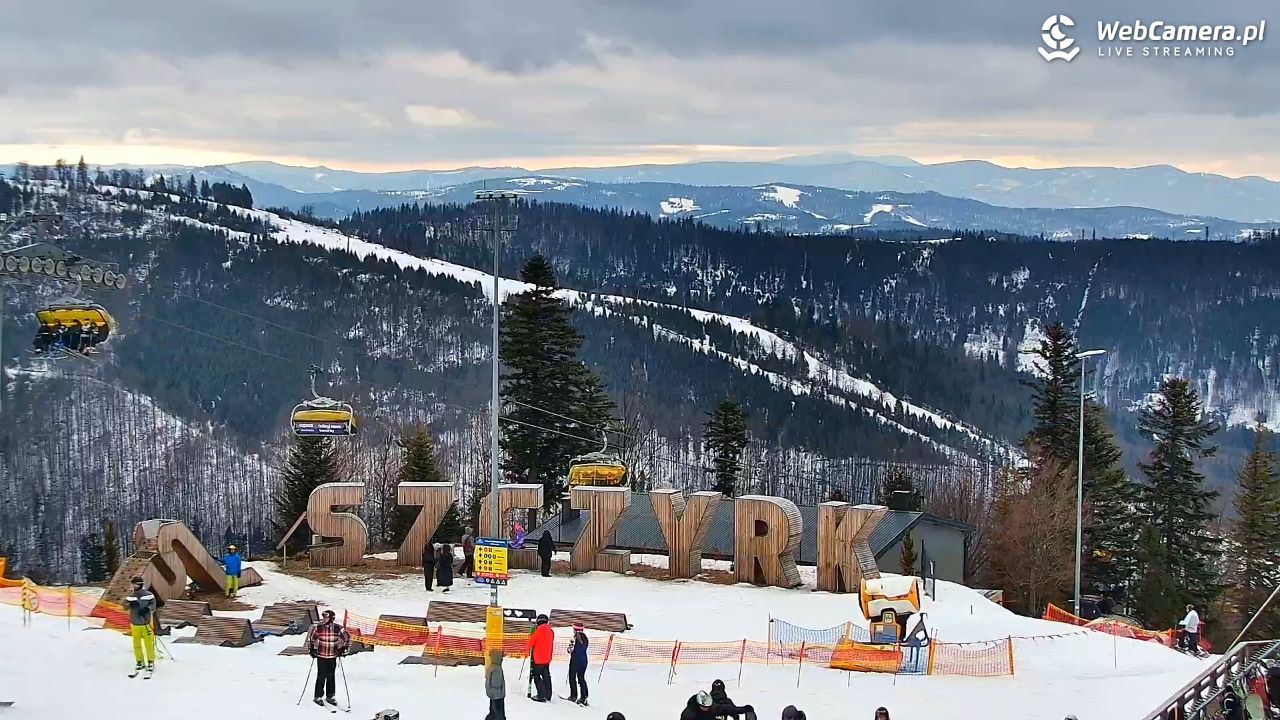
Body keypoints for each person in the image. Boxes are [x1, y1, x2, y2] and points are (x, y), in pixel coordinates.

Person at [307, 609, 351, 707]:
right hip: (321, 655)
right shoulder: (318, 628)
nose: (323, 619)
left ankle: (330, 696)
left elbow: (347, 637)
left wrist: (343, 648)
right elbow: (312, 639)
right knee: (321, 675)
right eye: (323, 617)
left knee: (331, 675)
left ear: (331, 618)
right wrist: (312, 649)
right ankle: (318, 696)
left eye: (325, 617)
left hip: (332, 656)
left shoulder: (338, 628)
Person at [125, 577, 157, 675]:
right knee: (136, 644)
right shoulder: (131, 596)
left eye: (135, 584)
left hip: (146, 623)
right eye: (133, 585)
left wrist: (147, 609)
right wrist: (130, 605)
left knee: (148, 644)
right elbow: (124, 606)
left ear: (140, 584)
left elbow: (153, 605)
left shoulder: (148, 595)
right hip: (135, 624)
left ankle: (150, 662)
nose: (134, 586)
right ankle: (139, 661)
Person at [527, 613, 555, 702]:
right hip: (547, 658)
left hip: (538, 659)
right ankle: (548, 695)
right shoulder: (551, 631)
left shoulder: (537, 632)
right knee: (546, 676)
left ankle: (541, 695)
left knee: (537, 676)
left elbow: (530, 643)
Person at [567, 622, 590, 706]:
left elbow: (570, 650)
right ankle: (584, 696)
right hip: (583, 661)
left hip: (575, 661)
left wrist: (569, 648)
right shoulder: (585, 638)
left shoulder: (574, 639)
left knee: (572, 678)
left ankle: (573, 696)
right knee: (581, 678)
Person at [485, 649, 507, 720]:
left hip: (493, 695)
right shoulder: (497, 669)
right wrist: (498, 695)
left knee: (493, 712)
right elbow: (496, 684)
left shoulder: (491, 667)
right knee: (498, 714)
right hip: (497, 696)